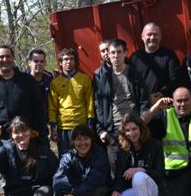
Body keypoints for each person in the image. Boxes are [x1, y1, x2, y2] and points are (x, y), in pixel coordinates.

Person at [104, 112, 164, 196]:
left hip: (154, 193)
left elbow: (160, 174)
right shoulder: (123, 150)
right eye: (127, 130)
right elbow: (119, 175)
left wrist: (141, 170)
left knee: (139, 177)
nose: (131, 133)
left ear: (141, 128)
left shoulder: (155, 145)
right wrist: (116, 191)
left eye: (134, 129)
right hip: (135, 192)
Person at [94, 38, 150, 170]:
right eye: (112, 52)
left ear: (125, 53)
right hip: (113, 130)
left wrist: (141, 122)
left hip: (134, 128)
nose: (115, 56)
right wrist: (101, 129)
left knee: (138, 166)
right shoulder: (104, 77)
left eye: (119, 52)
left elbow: (144, 100)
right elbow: (100, 105)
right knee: (116, 168)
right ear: (108, 54)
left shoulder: (134, 74)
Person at [53, 124, 117, 196]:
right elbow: (59, 177)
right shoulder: (68, 156)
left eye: (86, 138)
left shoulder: (99, 154)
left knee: (97, 192)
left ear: (91, 140)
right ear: (73, 142)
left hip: (99, 195)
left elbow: (94, 180)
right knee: (58, 195)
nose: (83, 143)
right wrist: (64, 195)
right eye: (78, 139)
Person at [0, 45, 46, 139]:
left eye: (8, 56)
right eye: (1, 57)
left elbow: (38, 108)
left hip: (24, 136)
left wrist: (35, 130)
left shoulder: (27, 80)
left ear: (13, 58)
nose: (5, 59)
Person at [49, 48, 95, 156]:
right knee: (66, 156)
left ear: (75, 61)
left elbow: (90, 101)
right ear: (60, 63)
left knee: (85, 154)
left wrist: (90, 122)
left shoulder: (84, 79)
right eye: (65, 59)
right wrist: (53, 127)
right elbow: (52, 106)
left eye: (71, 59)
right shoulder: (55, 82)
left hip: (81, 124)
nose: (68, 62)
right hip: (63, 127)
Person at [129, 22, 182, 103]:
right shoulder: (135, 57)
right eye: (149, 34)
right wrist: (145, 96)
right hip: (142, 104)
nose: (152, 37)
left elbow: (175, 79)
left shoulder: (169, 55)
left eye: (156, 34)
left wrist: (161, 93)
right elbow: (131, 82)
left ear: (160, 37)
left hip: (164, 102)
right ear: (142, 37)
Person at [27, 48, 53, 136]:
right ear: (29, 62)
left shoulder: (50, 79)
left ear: (45, 63)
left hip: (43, 127)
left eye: (42, 61)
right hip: (27, 127)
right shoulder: (22, 80)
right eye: (36, 61)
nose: (39, 64)